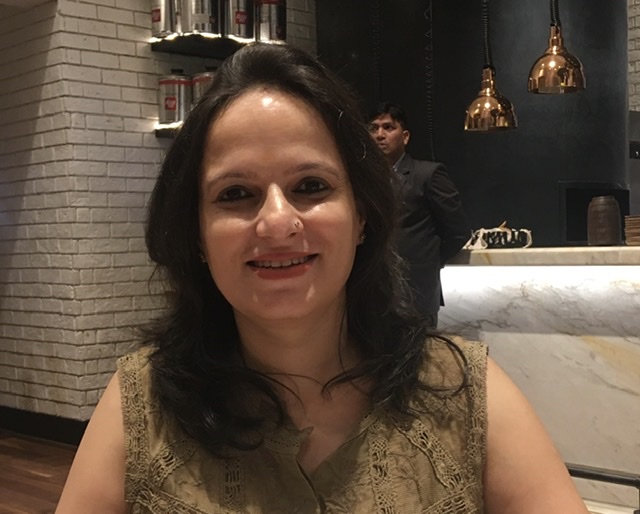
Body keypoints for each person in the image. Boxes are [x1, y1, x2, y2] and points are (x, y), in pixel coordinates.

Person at [56, 43, 588, 513]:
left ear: (361, 216)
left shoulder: (463, 391)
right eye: (235, 194)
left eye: (310, 185)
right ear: (196, 233)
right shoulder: (141, 402)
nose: (277, 222)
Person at [369, 102, 470, 327]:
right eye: (373, 128)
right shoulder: (365, 181)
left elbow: (458, 231)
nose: (379, 135)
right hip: (373, 295)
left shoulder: (428, 174)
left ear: (405, 137)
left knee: (421, 350)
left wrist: (429, 260)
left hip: (416, 292)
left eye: (388, 127)